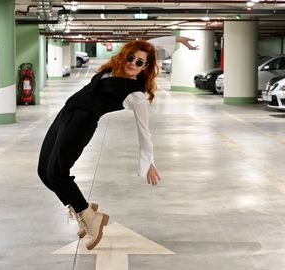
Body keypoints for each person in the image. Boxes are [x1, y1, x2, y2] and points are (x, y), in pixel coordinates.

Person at [37, 36, 197, 250]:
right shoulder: (113, 69)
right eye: (131, 57)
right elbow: (147, 42)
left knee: (57, 173)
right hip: (66, 113)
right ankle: (85, 209)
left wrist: (148, 161)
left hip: (81, 124)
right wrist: (177, 38)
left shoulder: (136, 94)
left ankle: (90, 218)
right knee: (44, 172)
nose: (133, 63)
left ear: (145, 67)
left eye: (140, 62)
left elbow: (144, 131)